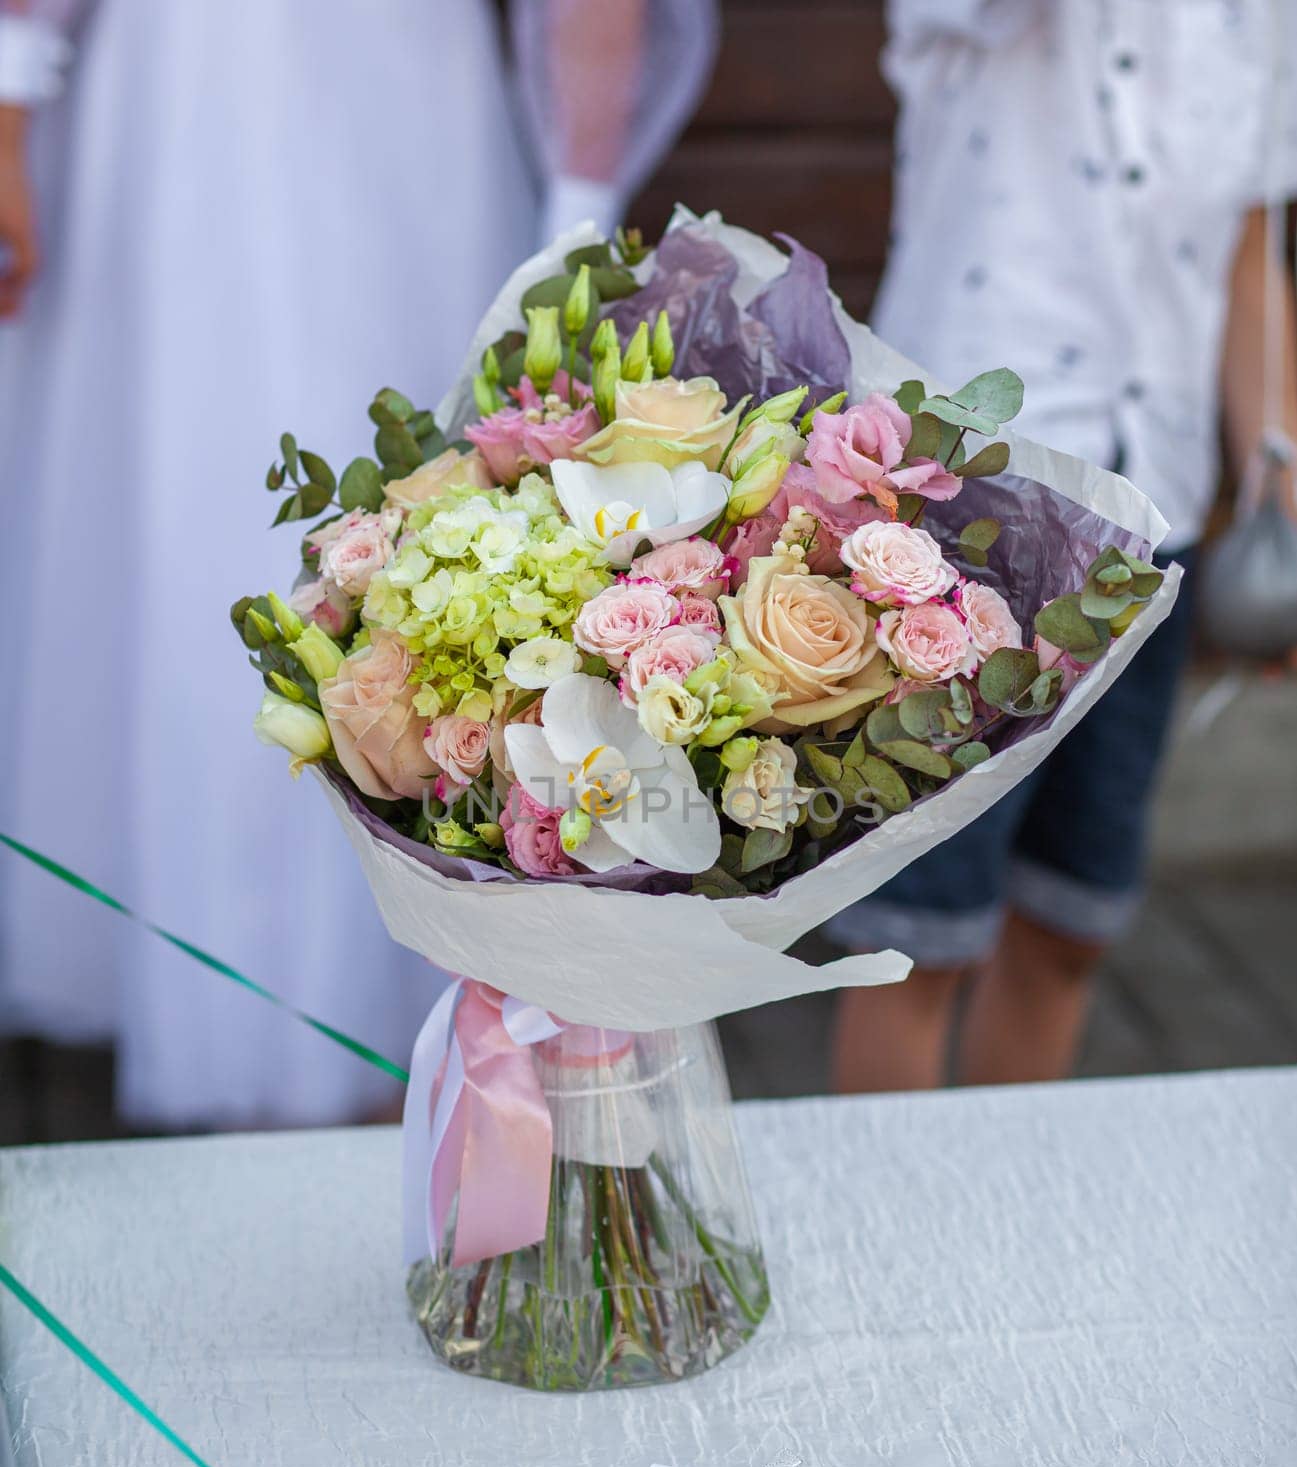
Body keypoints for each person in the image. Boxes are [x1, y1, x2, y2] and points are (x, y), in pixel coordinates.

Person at [0, 0, 717, 1129]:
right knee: (179, 493)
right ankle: (198, 962)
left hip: (395, 126)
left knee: (402, 516)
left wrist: (577, 224)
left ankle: (407, 965)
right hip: (170, 108)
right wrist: (14, 78)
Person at [830, 0, 1297, 1094]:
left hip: (1156, 508)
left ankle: (1011, 1213)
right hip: (966, 513)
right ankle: (884, 1244)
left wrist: (1278, 479)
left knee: (1070, 921)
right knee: (915, 945)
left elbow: (1244, 257)